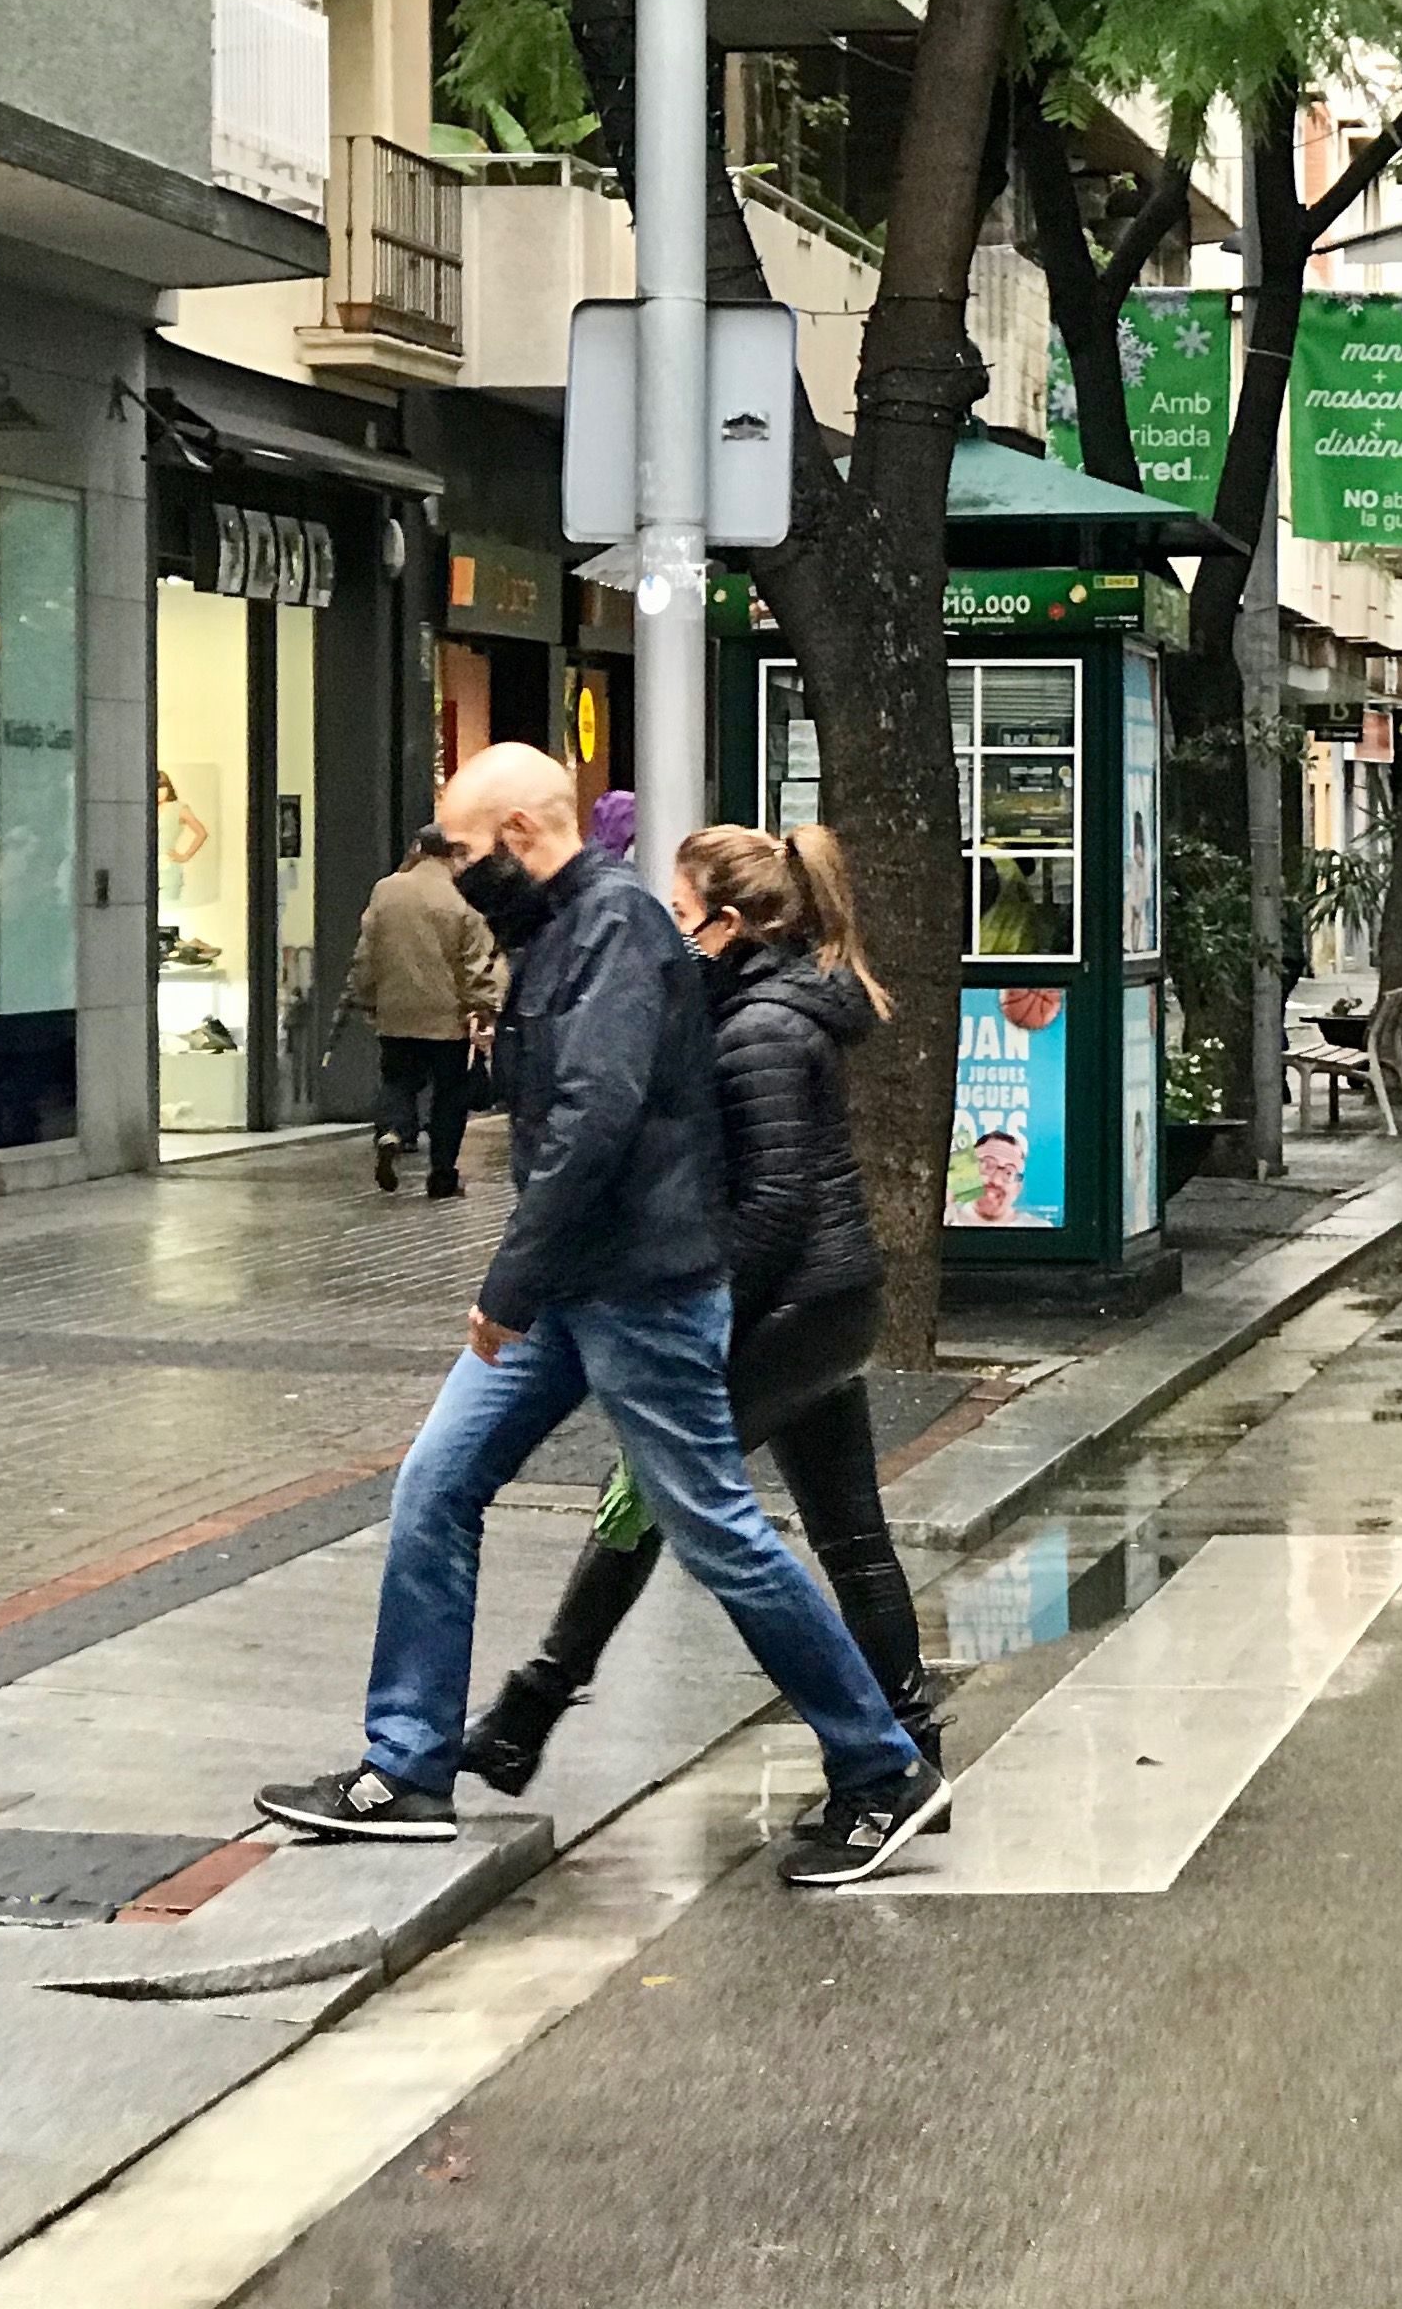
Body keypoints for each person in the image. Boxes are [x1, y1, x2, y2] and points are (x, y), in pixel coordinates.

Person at [257, 744, 947, 1888]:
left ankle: (882, 1766)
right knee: (436, 1482)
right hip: (580, 1283)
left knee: (718, 1526)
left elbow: (595, 1121)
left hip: (637, 1289)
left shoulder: (616, 928)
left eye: (470, 851)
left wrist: (507, 1286)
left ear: (523, 833)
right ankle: (407, 1764)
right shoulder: (565, 928)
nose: (457, 871)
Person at [461, 821, 939, 1788]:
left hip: (792, 1306)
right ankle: (910, 1737)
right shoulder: (772, 1008)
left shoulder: (759, 1030)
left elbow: (772, 1206)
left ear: (725, 926)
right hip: (826, 1307)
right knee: (846, 1532)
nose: (665, 932)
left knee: (659, 1501)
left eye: (679, 914)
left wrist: (707, 1312)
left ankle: (530, 1714)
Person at [349, 825, 499, 1198]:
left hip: (396, 1012)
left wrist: (366, 996)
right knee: (450, 1095)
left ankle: (392, 1131)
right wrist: (482, 1008)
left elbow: (367, 954)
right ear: (452, 856)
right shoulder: (459, 900)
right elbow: (474, 964)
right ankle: (442, 1175)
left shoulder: (386, 890)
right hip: (447, 1019)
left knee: (397, 1080)